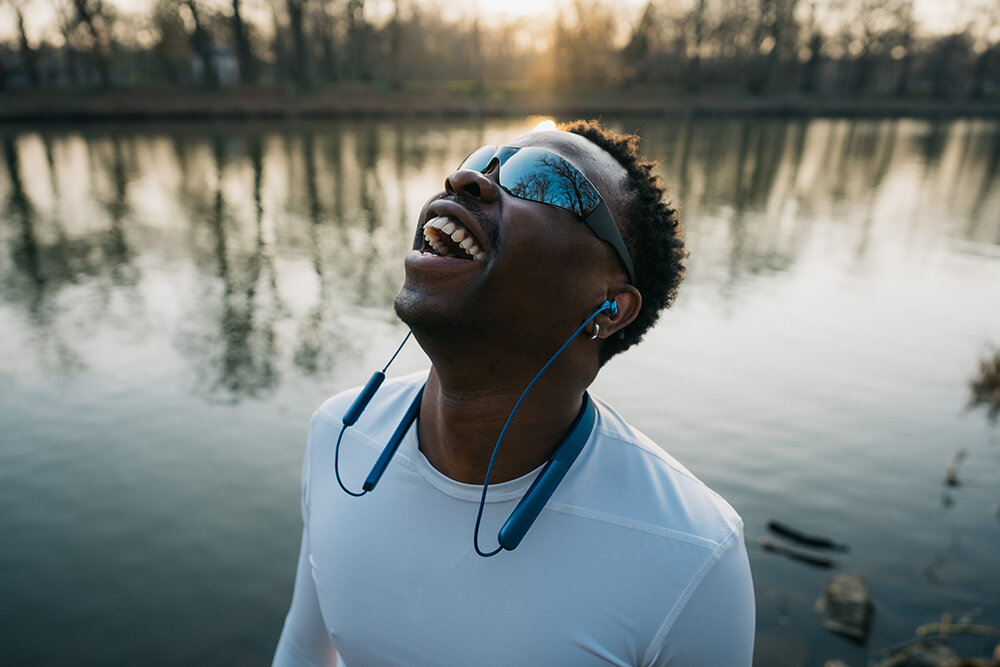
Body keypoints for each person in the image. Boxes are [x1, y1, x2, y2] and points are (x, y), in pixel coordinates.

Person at [272, 120, 755, 666]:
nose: (465, 180)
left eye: (544, 179)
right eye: (482, 159)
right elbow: (304, 652)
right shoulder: (339, 433)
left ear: (609, 307)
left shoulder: (693, 556)